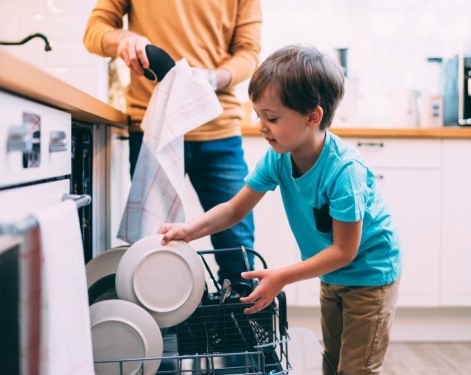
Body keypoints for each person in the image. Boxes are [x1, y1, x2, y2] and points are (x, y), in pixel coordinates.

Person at [159, 45, 402, 375]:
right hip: (332, 275)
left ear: (312, 116)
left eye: (271, 118)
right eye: (258, 115)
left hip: (369, 276)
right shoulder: (279, 157)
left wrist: (282, 277)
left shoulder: (345, 173)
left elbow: (345, 250)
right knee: (332, 360)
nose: (261, 126)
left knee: (356, 368)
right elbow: (233, 209)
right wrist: (190, 229)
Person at [83, 0, 262, 284]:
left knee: (236, 252)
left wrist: (212, 78)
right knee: (153, 247)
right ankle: (158, 328)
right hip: (154, 127)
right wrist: (123, 39)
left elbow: (249, 53)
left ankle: (239, 321)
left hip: (218, 129)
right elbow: (94, 30)